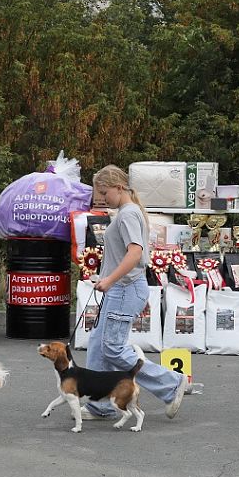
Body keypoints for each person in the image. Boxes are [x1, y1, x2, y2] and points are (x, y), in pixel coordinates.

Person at [82, 165, 188, 421]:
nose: (102, 198)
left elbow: (135, 253)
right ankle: (101, 405)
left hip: (124, 289)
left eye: (105, 192)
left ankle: (171, 384)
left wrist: (109, 279)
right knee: (98, 345)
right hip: (120, 288)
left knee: (114, 349)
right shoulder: (126, 212)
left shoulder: (128, 214)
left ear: (119, 188)